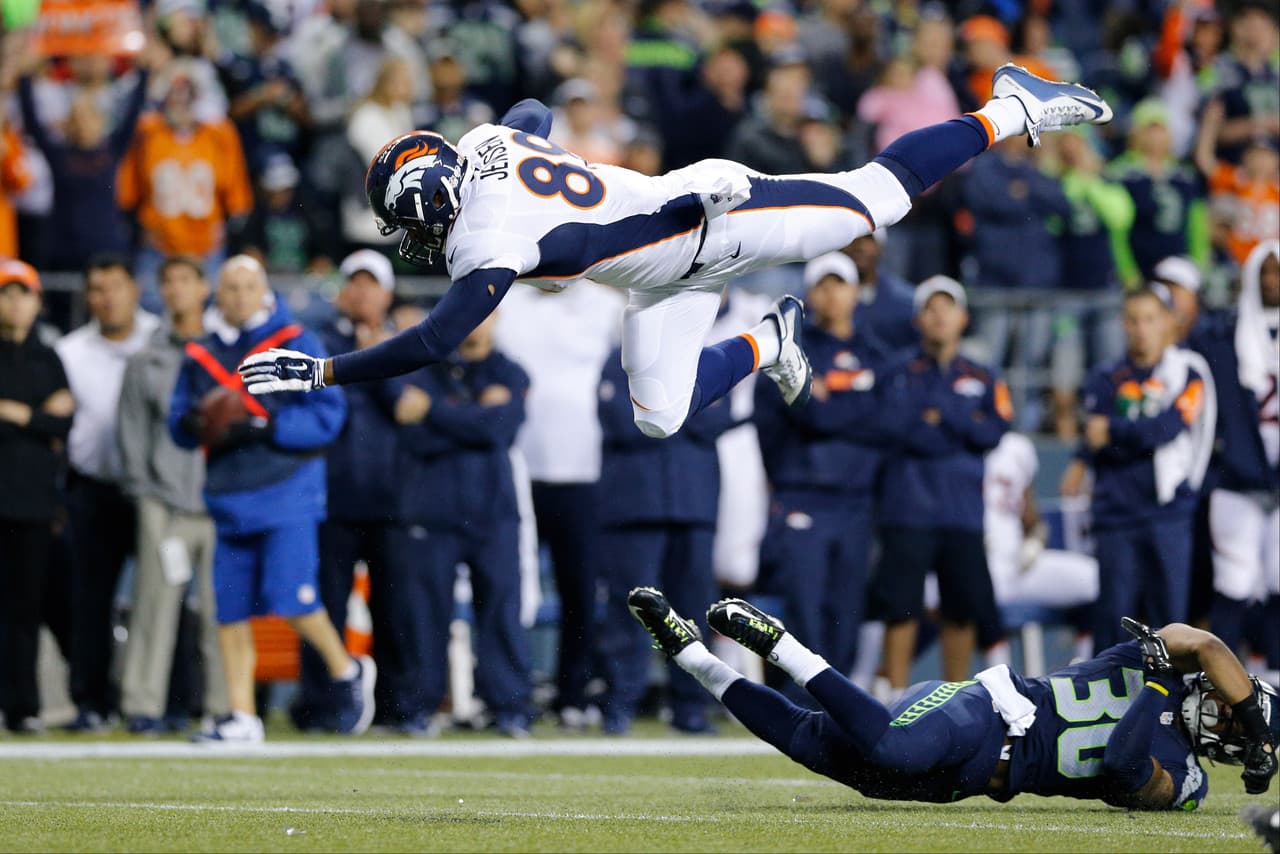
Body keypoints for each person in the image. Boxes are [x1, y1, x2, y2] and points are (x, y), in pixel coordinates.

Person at [240, 64, 1114, 452]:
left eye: (409, 220)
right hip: (663, 276)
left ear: (432, 201)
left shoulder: (487, 241)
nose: (416, 237)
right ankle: (770, 343)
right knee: (660, 416)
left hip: (708, 221)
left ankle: (1011, 107)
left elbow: (433, 342)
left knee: (877, 199)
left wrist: (324, 371)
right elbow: (532, 114)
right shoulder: (480, 145)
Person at [627, 587, 1278, 809]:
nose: (1224, 709)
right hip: (985, 709)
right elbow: (1205, 643)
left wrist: (1159, 686)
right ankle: (782, 645)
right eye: (1233, 702)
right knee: (895, 748)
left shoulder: (1188, 778)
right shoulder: (1157, 662)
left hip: (974, 778)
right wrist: (1256, 719)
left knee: (818, 747)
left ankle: (688, 653)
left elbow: (1125, 766)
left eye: (1233, 721)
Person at [168, 255, 369, 743]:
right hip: (227, 495)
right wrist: (191, 424)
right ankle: (243, 714)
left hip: (287, 491)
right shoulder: (202, 352)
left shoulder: (297, 341)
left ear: (265, 291)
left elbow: (328, 415)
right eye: (231, 287)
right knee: (229, 613)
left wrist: (269, 425)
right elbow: (178, 421)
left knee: (293, 600)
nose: (239, 296)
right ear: (218, 294)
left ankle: (347, 670)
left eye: (248, 286)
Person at [393, 311, 535, 738]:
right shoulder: (425, 369)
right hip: (433, 511)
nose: (474, 323)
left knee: (501, 611)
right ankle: (419, 707)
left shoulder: (511, 372)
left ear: (497, 319)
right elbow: (413, 436)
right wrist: (474, 417)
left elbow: (500, 430)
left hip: (493, 511)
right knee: (425, 614)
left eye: (483, 315)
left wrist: (434, 411)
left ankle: (509, 708)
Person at [492, 280, 624, 729]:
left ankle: (573, 693)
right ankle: (509, 694)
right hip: (516, 469)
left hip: (585, 470)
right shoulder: (504, 300)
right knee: (510, 588)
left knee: (580, 593)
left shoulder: (607, 304)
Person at [753, 252, 885, 697]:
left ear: (855, 292)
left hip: (856, 499)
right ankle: (800, 702)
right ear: (810, 294)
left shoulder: (876, 355)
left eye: (839, 284)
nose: (831, 294)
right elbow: (790, 418)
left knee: (846, 607)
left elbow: (888, 420)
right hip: (802, 494)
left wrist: (826, 407)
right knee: (804, 606)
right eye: (822, 285)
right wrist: (846, 410)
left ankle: (839, 704)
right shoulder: (789, 354)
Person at [300, 249, 418, 733]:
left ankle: (397, 708)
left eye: (372, 284)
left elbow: (411, 409)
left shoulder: (411, 342)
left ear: (387, 294)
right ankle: (322, 707)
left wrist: (378, 357)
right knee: (323, 608)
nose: (363, 292)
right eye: (355, 283)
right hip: (332, 497)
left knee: (395, 609)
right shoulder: (319, 343)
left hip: (392, 499)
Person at [875, 277, 1011, 693]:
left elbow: (995, 431)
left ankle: (956, 699)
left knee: (962, 609)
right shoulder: (895, 370)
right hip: (908, 507)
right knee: (901, 608)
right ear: (918, 319)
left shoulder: (983, 375)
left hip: (961, 511)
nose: (939, 317)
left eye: (947, 308)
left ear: (963, 318)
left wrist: (941, 417)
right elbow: (895, 428)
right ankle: (894, 698)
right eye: (930, 309)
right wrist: (962, 423)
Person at [596, 345, 733, 734]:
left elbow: (718, 420)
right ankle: (620, 705)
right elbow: (620, 422)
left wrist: (658, 413)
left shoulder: (704, 357)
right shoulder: (622, 358)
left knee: (693, 612)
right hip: (635, 506)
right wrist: (682, 408)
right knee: (632, 609)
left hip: (693, 505)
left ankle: (691, 708)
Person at [117, 256, 227, 734]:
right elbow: (131, 433)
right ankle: (142, 705)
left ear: (203, 288)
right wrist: (145, 494)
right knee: (152, 609)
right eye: (167, 281)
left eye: (185, 279)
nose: (176, 289)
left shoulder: (229, 353)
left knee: (224, 614)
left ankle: (228, 707)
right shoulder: (146, 358)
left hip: (221, 501)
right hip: (164, 501)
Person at [54, 255, 160, 731]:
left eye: (115, 286)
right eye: (97, 289)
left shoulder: (161, 337)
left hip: (154, 490)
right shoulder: (70, 351)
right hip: (93, 488)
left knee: (161, 598)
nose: (107, 297)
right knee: (89, 600)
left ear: (134, 289)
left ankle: (169, 701)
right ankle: (91, 702)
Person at [1080, 286, 1217, 652]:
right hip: (1117, 515)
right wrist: (1140, 432)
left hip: (1168, 512)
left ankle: (1166, 693)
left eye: (1150, 319)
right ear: (1123, 324)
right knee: (1114, 623)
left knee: (1171, 627)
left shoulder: (1188, 373)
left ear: (1168, 322)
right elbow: (1096, 437)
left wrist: (1115, 430)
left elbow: (1169, 428)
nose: (1141, 329)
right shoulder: (1104, 377)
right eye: (1134, 320)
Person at [1189, 241, 1279, 681]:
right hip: (1239, 480)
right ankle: (1223, 682)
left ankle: (1270, 676)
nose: (1272, 282)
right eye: (1265, 273)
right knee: (1236, 583)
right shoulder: (1222, 337)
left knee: (1277, 581)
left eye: (1277, 273)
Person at [0, 260, 74, 734]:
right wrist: (37, 417)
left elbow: (64, 423)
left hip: (32, 504)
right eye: (6, 293)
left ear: (37, 301)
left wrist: (15, 413)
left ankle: (22, 707)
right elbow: (51, 419)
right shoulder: (47, 365)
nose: (14, 302)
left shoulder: (49, 358)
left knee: (25, 611)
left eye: (22, 293)